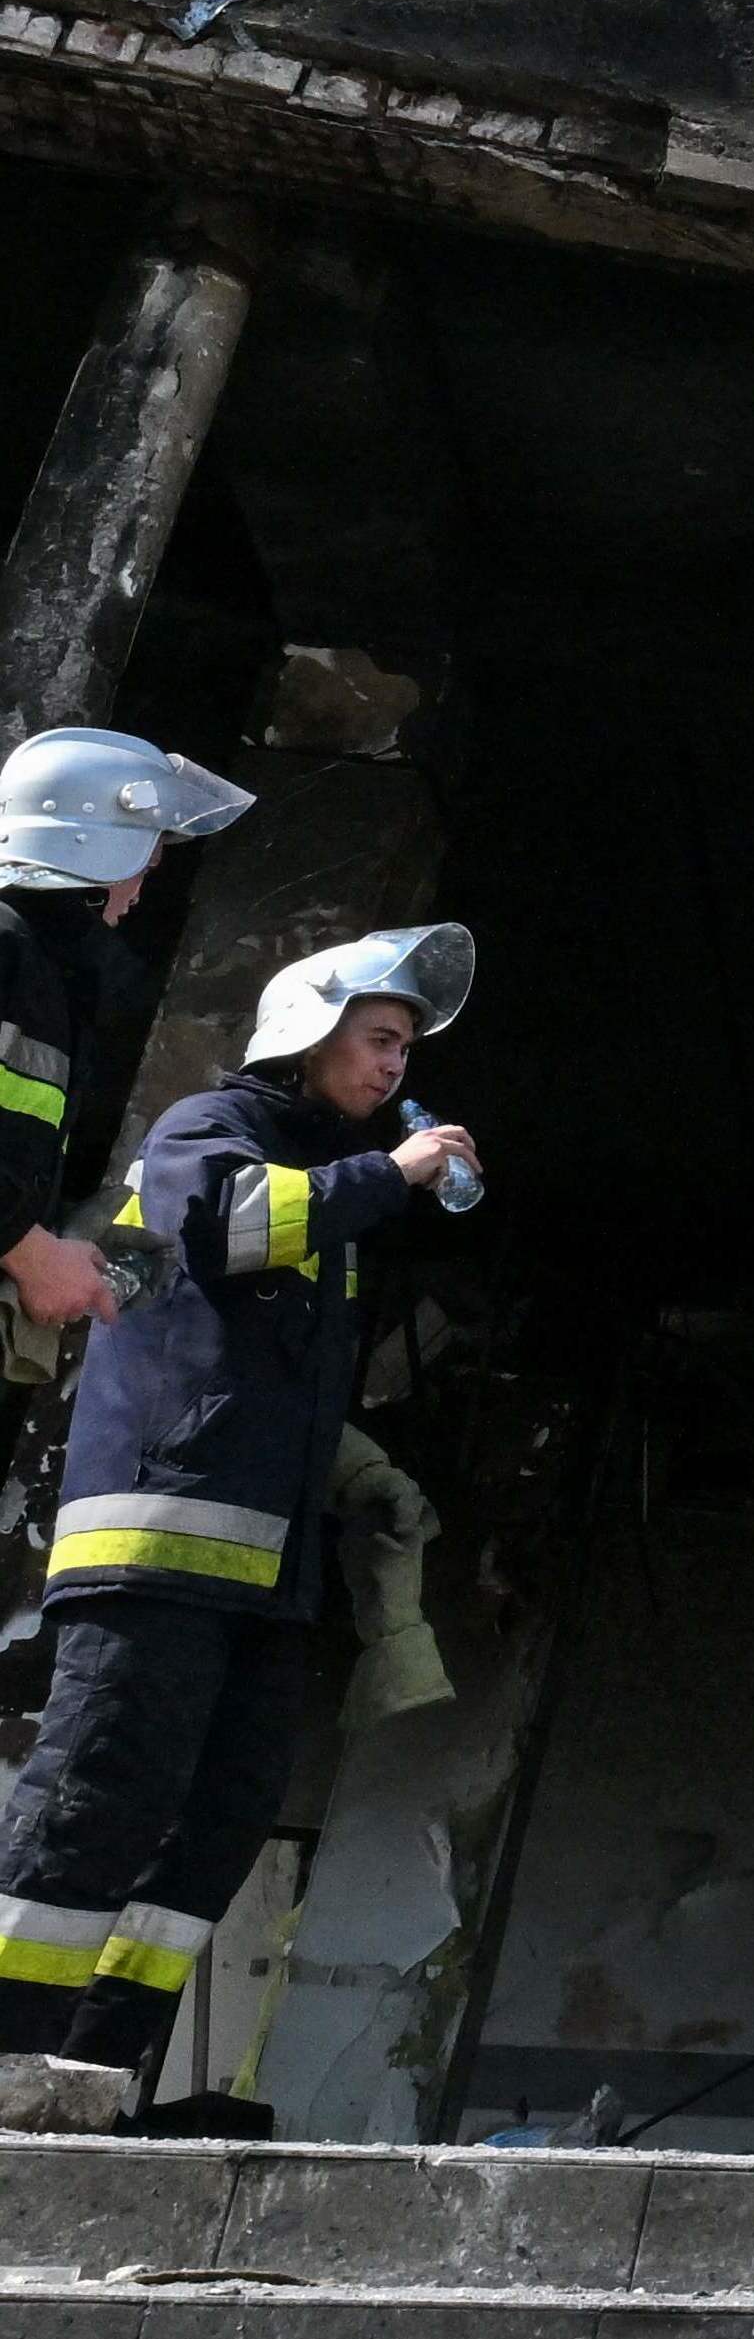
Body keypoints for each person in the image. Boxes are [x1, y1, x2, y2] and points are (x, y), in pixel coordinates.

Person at [0, 928, 475, 2094]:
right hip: (159, 1544)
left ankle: (93, 2072)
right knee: (98, 1796)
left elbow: (257, 1366)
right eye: (376, 1040)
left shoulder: (327, 1197)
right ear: (307, 1036)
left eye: (404, 1048)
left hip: (265, 1577)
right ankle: (7, 2054)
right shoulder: (205, 1135)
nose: (392, 1069)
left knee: (217, 1829)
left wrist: (363, 1472)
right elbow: (221, 1227)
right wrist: (393, 1178)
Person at [0, 729, 248, 1372]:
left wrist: (52, 1241)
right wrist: (27, 1249)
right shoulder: (8, 948)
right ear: (98, 846)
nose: (146, 882)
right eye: (148, 856)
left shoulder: (45, 972)